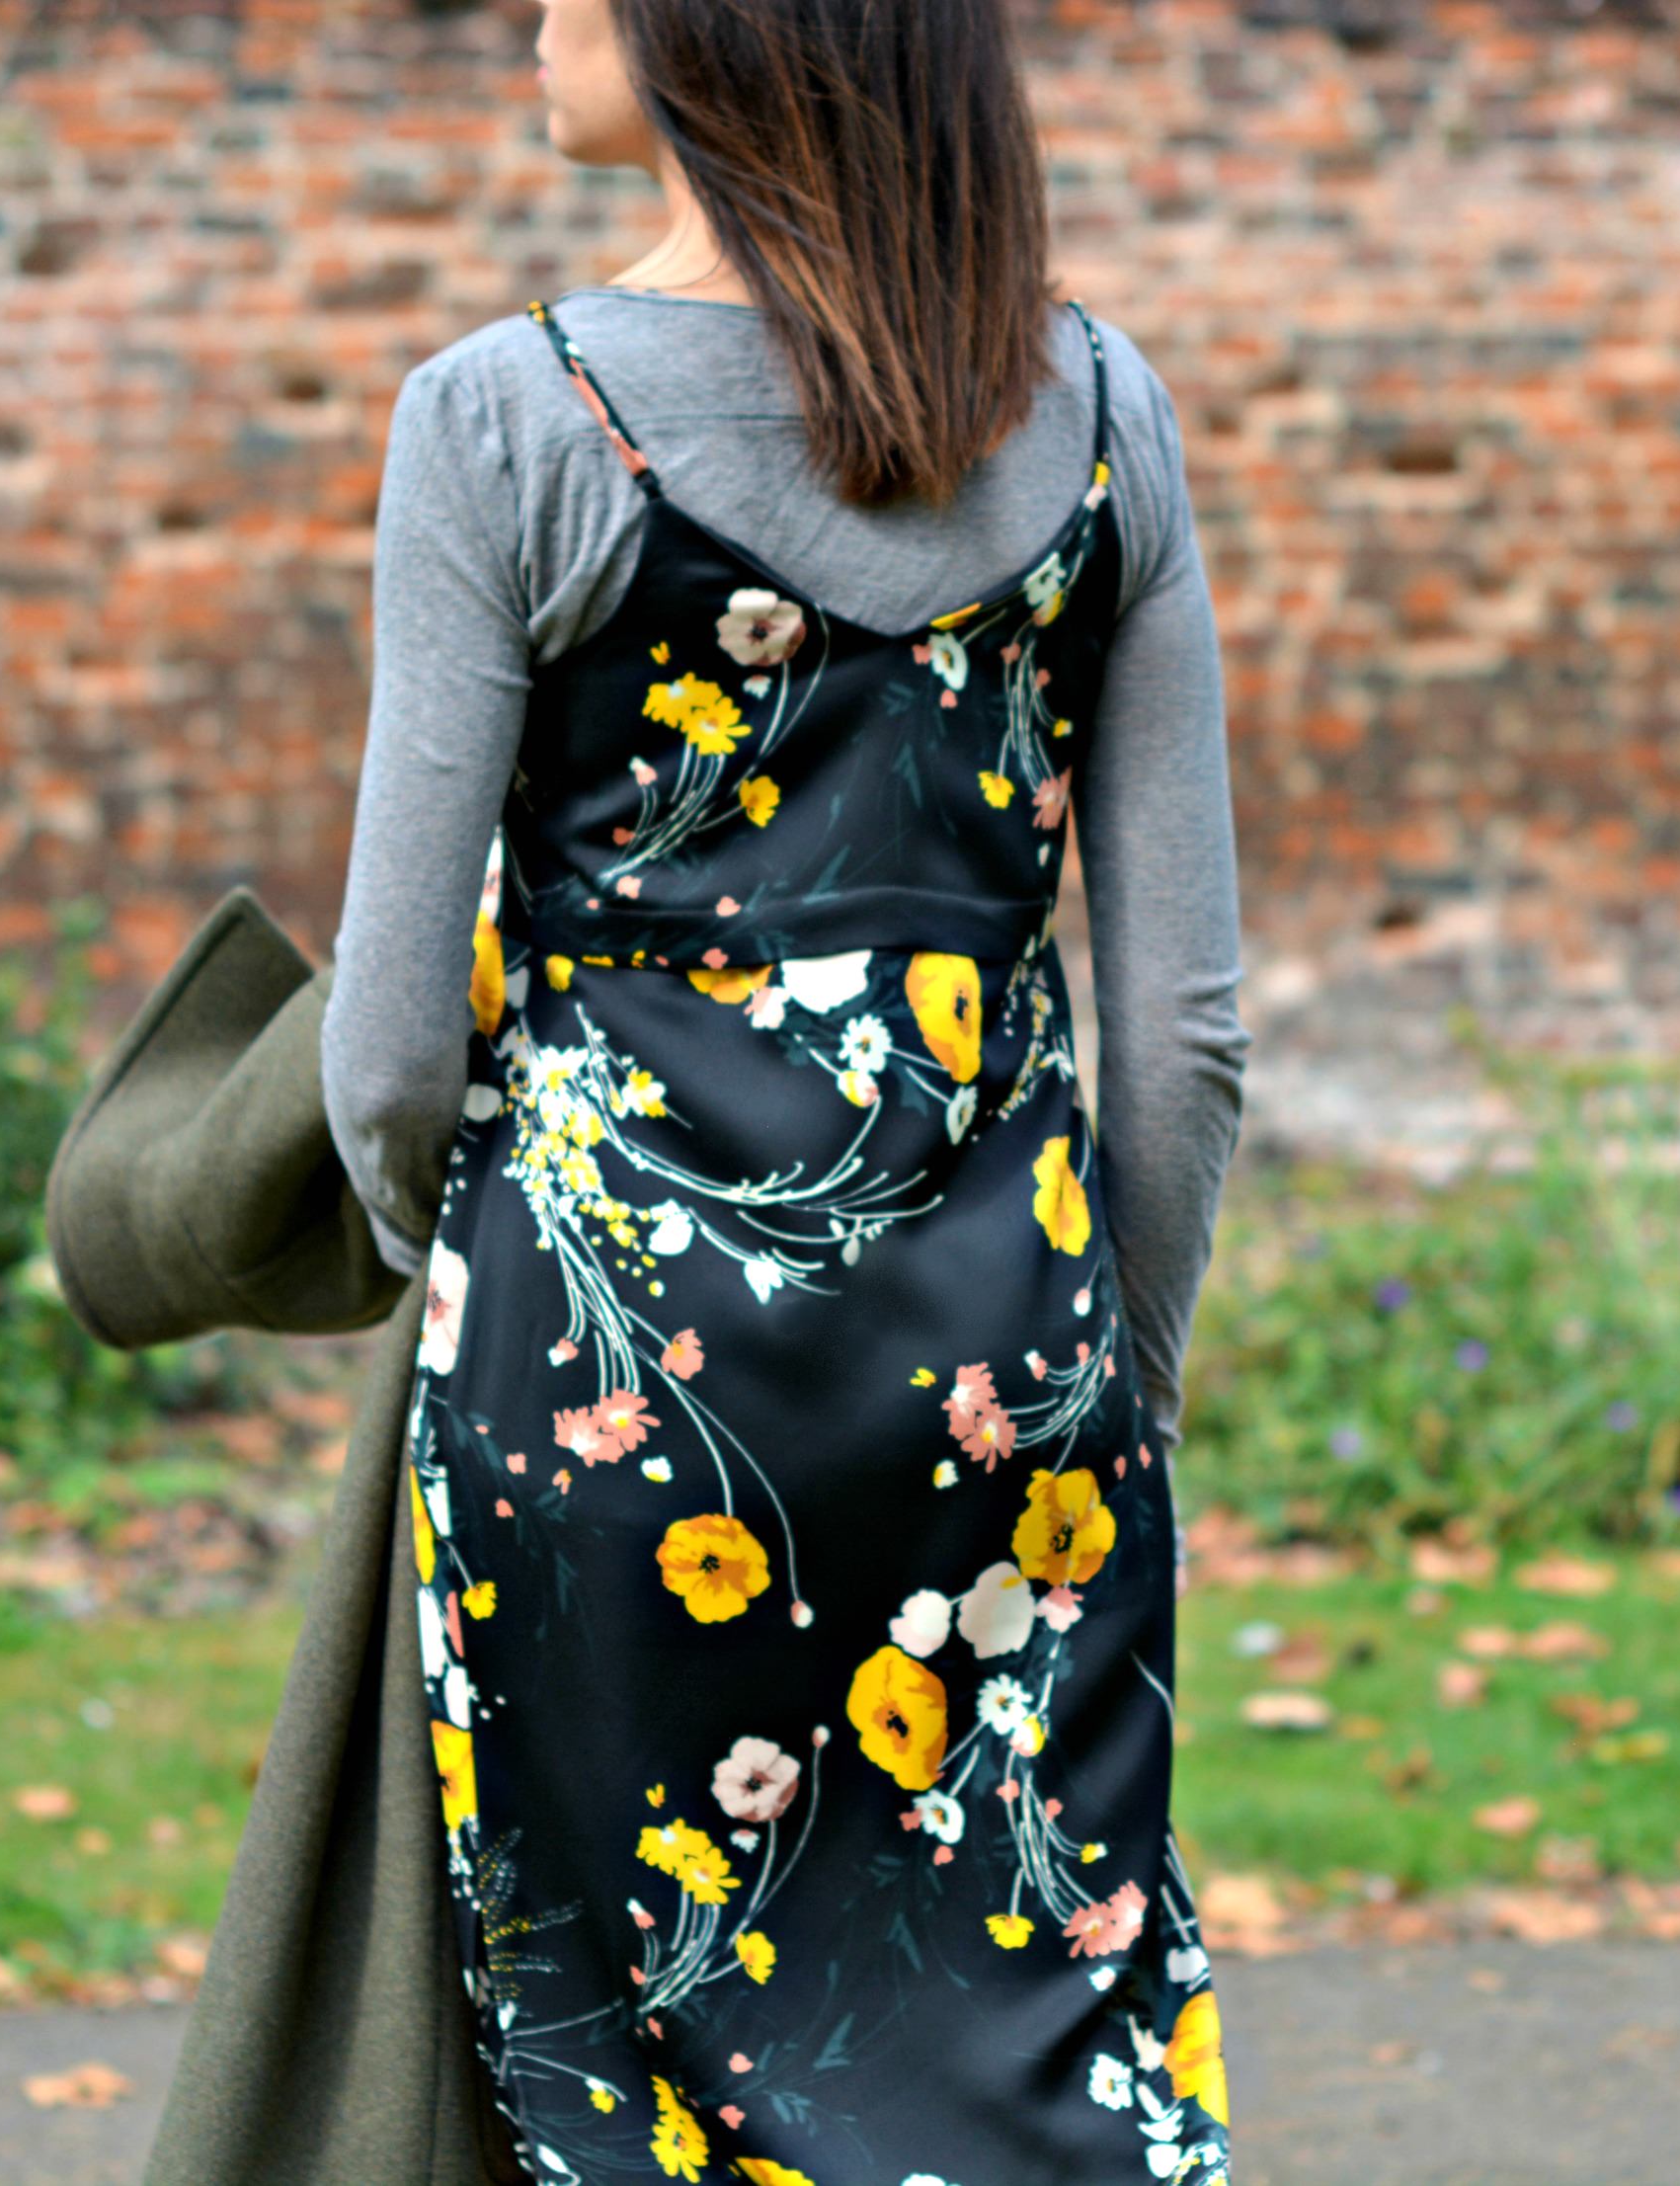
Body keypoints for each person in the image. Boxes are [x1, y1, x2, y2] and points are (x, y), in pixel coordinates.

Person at [315, 2, 1254, 2179]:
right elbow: (1184, 1042)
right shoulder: (1102, 418)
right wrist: (1124, 1378)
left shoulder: (503, 420)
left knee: (633, 2081)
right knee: (1035, 2035)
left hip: (602, 1382)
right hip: (1008, 1386)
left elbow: (383, 1044)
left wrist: (433, 1265)